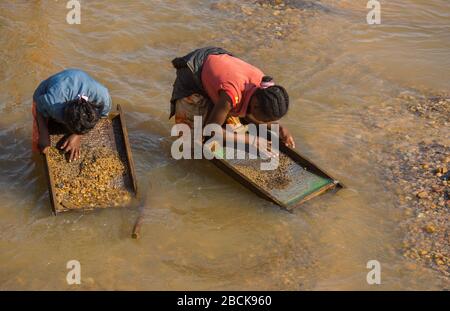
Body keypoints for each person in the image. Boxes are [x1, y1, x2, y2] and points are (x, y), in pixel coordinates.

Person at [169, 47, 295, 153]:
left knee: (234, 130)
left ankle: (215, 107)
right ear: (255, 105)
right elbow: (211, 130)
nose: (264, 123)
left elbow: (250, 115)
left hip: (219, 73)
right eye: (265, 120)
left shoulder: (264, 90)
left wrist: (279, 128)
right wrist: (251, 140)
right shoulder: (231, 95)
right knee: (192, 145)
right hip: (194, 73)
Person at [32, 69, 112, 161]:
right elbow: (38, 107)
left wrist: (77, 136)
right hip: (46, 95)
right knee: (39, 144)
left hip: (74, 83)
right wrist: (43, 133)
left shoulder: (103, 100)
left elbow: (102, 115)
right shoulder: (53, 103)